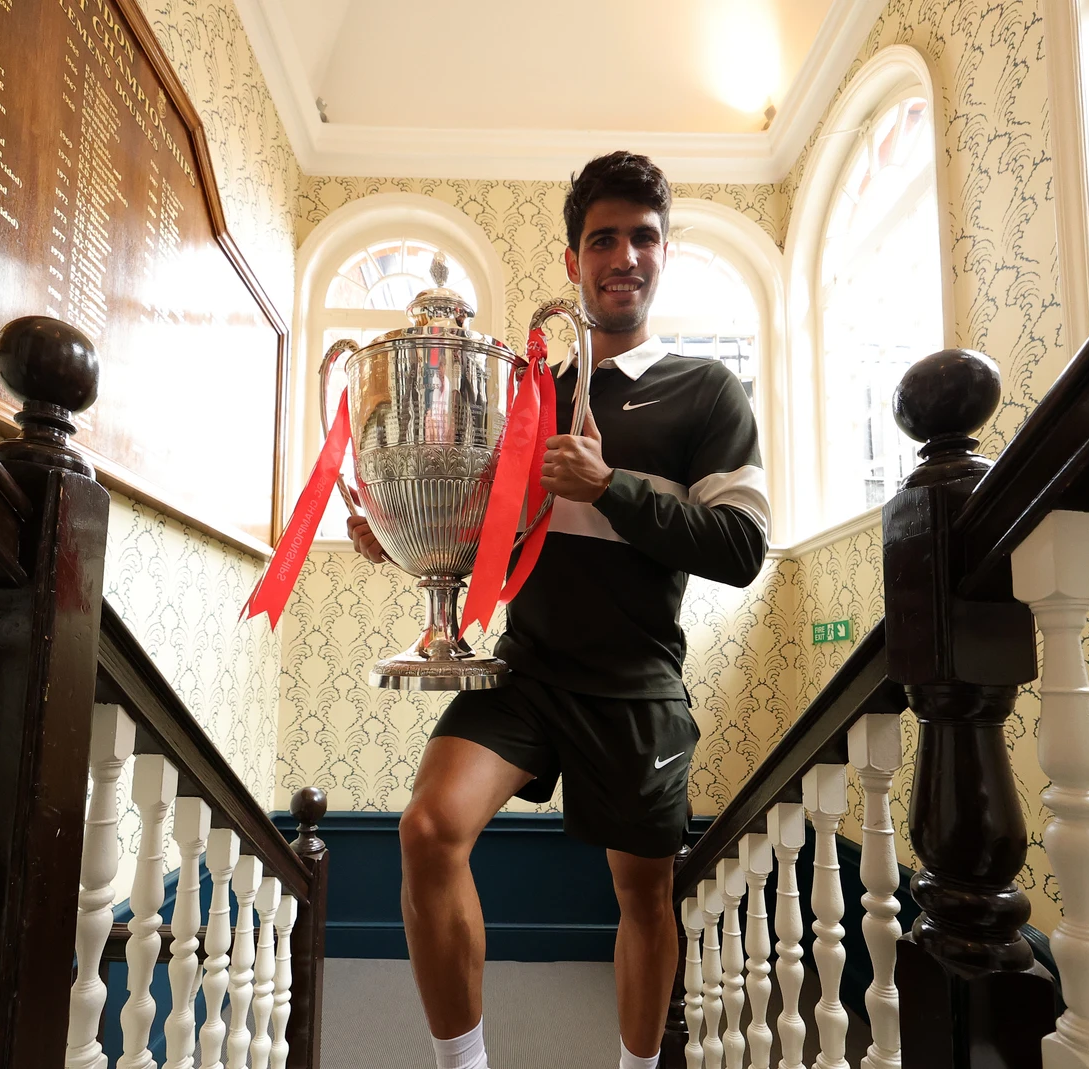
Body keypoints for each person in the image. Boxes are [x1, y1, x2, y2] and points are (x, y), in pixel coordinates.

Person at [347, 151, 768, 1069]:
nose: (625, 256)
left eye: (643, 238)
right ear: (574, 260)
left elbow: (742, 548)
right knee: (428, 829)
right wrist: (408, 535)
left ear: (664, 254)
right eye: (603, 239)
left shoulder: (707, 390)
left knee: (644, 899)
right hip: (528, 671)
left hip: (637, 682)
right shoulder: (527, 393)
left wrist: (612, 485)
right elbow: (497, 535)